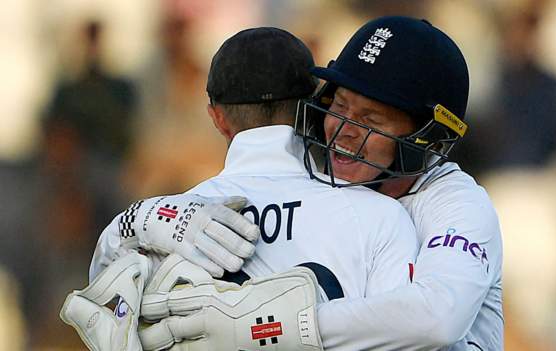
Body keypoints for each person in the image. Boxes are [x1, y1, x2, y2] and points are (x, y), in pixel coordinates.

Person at [139, 17, 504, 350]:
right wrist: (138, 219)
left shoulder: (457, 204)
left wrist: (265, 326)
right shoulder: (318, 168)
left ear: (428, 140)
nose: (343, 131)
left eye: (370, 119)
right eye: (340, 106)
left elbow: (437, 319)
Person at [61, 27, 419, 351]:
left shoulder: (159, 228)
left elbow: (103, 304)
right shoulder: (380, 216)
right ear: (311, 109)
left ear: (216, 117)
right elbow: (412, 336)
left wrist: (126, 223)